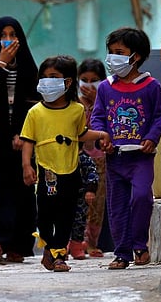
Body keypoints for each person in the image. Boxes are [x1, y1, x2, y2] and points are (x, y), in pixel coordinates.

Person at [20, 55, 111, 272]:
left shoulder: (76, 110)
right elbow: (27, 141)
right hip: (46, 174)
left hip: (71, 172)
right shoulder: (35, 113)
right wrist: (26, 165)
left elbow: (81, 134)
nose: (47, 81)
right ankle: (50, 247)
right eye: (44, 77)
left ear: (67, 82)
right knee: (44, 217)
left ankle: (58, 255)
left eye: (53, 77)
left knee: (65, 216)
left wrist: (101, 134)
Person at [91, 27, 161, 269]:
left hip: (141, 158)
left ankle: (139, 245)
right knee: (117, 206)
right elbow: (98, 118)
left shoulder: (151, 86)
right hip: (115, 158)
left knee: (143, 197)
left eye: (119, 52)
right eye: (111, 52)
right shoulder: (105, 87)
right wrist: (103, 139)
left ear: (136, 56)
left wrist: (152, 138)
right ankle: (122, 253)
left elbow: (159, 116)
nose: (113, 57)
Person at [0, 16, 39, 263]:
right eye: (4, 34)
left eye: (13, 34)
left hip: (23, 141)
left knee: (23, 192)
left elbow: (34, 103)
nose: (9, 39)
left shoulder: (28, 68)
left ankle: (20, 246)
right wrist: (1, 63)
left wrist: (23, 135)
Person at [77, 58, 108, 258]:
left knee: (96, 203)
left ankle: (91, 242)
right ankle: (75, 241)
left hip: (100, 159)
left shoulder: (105, 102)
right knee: (78, 202)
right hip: (78, 158)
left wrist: (97, 102)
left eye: (94, 80)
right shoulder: (73, 105)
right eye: (84, 80)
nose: (89, 84)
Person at [68, 144, 99, 260]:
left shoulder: (84, 159)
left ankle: (76, 245)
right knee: (63, 221)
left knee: (79, 222)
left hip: (81, 197)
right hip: (64, 197)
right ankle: (62, 246)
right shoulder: (62, 160)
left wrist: (90, 190)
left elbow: (92, 174)